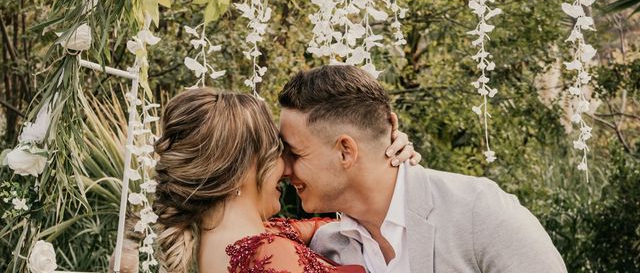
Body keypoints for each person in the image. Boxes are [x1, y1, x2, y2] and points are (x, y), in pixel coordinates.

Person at [278, 64, 568, 273]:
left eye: (295, 153)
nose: (284, 169)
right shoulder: (324, 249)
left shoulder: (479, 212)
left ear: (346, 151)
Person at [110, 87, 418, 273]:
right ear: (241, 169)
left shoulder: (208, 241)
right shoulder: (269, 254)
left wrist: (376, 159)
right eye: (277, 153)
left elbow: (343, 224)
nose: (286, 169)